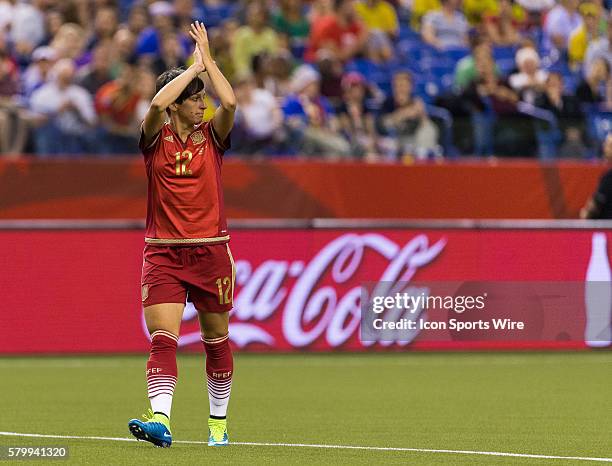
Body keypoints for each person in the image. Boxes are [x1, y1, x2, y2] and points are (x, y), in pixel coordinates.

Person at [127, 21, 237, 448]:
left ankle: (218, 425)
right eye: (194, 101)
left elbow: (230, 100)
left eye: (201, 99)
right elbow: (156, 105)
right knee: (163, 339)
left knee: (216, 341)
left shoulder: (213, 137)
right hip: (164, 254)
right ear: (178, 104)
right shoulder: (154, 139)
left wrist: (206, 62)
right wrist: (189, 73)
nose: (202, 106)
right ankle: (160, 419)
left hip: (211, 251)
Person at [581, 133, 612, 218]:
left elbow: (595, 206)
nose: (604, 147)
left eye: (608, 145)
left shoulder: (608, 178)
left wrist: (586, 214)